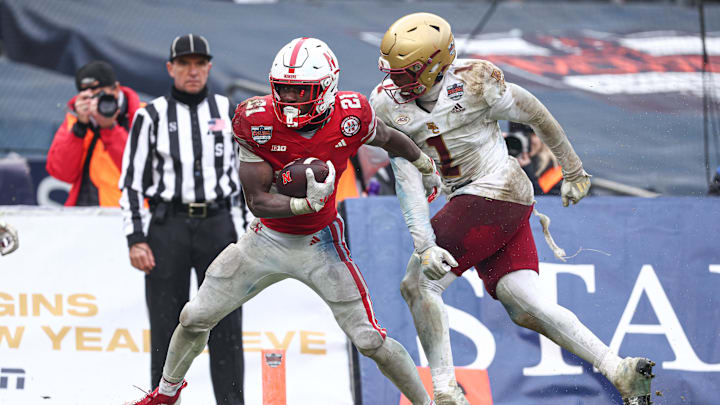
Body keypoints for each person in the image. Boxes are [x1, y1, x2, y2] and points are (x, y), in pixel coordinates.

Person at [127, 37, 442, 405]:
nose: (289, 99)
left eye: (300, 90)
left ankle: (428, 403)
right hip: (266, 240)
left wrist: (424, 165)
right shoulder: (255, 118)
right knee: (194, 316)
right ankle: (165, 394)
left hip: (320, 242)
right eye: (284, 89)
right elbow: (257, 201)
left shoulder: (352, 114)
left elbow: (388, 138)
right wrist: (304, 204)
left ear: (327, 88)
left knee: (370, 338)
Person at [370, 12, 655, 405]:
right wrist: (426, 234)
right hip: (493, 201)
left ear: (435, 66)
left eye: (405, 73)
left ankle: (445, 392)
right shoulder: (385, 104)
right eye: (393, 72)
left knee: (418, 284)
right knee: (525, 304)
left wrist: (573, 170)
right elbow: (406, 176)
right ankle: (617, 367)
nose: (395, 82)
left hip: (493, 191)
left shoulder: (476, 82)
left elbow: (535, 112)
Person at [119, 34, 244, 404]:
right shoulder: (150, 115)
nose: (193, 71)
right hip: (167, 227)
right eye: (185, 64)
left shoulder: (229, 111)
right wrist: (135, 238)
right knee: (166, 326)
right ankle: (160, 400)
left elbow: (246, 178)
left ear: (209, 67)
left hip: (218, 225)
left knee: (226, 326)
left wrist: (245, 234)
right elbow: (130, 183)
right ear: (170, 68)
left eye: (200, 63)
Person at [47, 61, 141, 206]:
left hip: (132, 214)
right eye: (88, 96)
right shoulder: (75, 119)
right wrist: (80, 127)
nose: (95, 102)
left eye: (99, 94)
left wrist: (110, 128)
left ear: (116, 89)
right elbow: (62, 173)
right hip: (85, 214)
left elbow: (143, 171)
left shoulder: (143, 115)